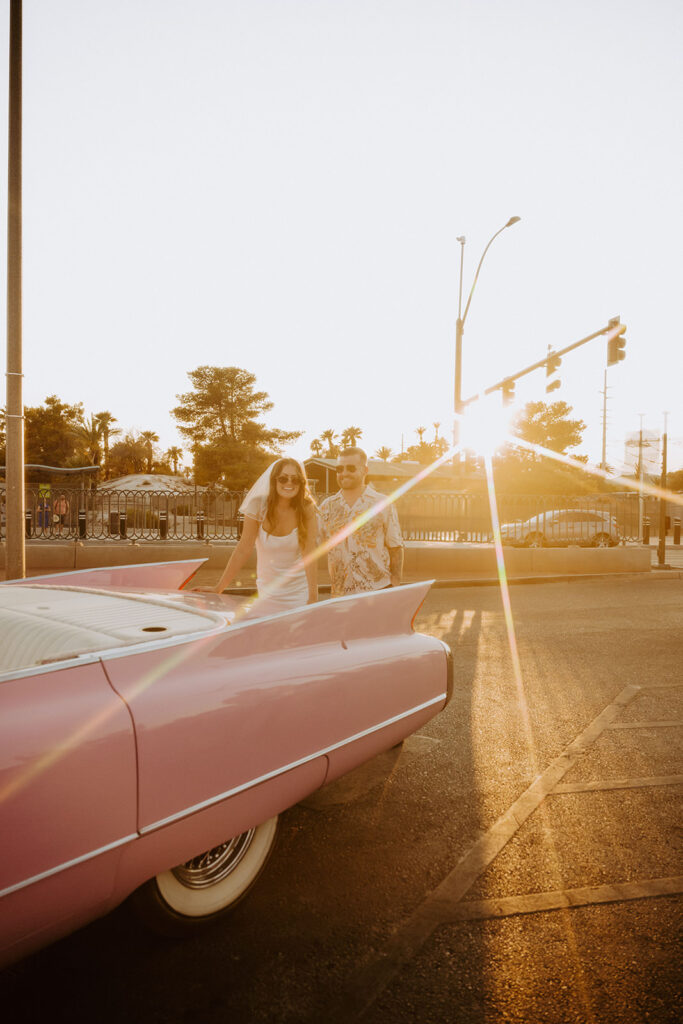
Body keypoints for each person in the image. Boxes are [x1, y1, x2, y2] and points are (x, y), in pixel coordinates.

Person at [196, 458, 318, 615]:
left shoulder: (307, 508)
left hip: (300, 595)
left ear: (302, 483)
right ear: (273, 480)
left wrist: (313, 598)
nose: (289, 483)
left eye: (295, 479)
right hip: (267, 594)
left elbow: (309, 552)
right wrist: (218, 588)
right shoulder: (257, 506)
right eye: (283, 478)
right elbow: (243, 549)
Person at [318, 447, 403, 596]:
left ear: (365, 470)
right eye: (339, 469)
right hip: (340, 593)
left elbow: (395, 547)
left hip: (378, 590)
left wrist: (395, 585)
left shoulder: (382, 503)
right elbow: (311, 543)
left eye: (351, 468)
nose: (344, 473)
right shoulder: (326, 506)